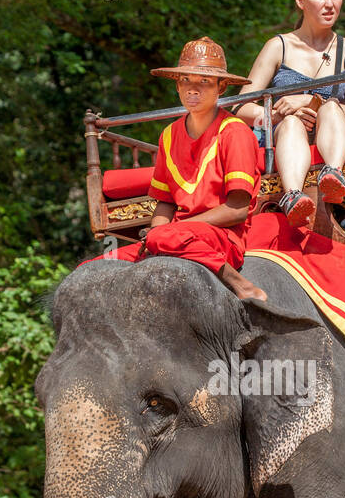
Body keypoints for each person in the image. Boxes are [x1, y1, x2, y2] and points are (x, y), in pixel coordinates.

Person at [103, 37, 266, 302]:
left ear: (221, 87)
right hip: (176, 238)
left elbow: (237, 209)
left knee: (162, 239)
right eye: (185, 80)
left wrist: (165, 234)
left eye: (204, 82)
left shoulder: (235, 131)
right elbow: (165, 204)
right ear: (177, 84)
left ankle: (237, 281)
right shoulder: (168, 135)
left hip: (220, 238)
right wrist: (158, 231)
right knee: (96, 267)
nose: (193, 89)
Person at [236, 0, 345, 229]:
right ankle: (293, 195)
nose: (330, 4)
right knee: (292, 122)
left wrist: (310, 101)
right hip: (284, 132)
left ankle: (333, 175)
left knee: (332, 108)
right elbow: (241, 107)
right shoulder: (278, 46)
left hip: (334, 133)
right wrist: (277, 113)